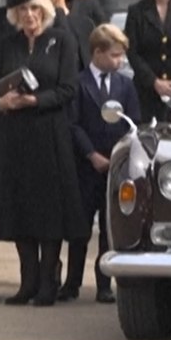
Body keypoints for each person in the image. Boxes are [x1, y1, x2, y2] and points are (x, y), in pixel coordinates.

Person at [0, 0, 86, 307]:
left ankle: (48, 282)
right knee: (22, 211)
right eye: (22, 10)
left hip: (49, 133)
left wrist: (34, 101)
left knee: (49, 214)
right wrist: (1, 102)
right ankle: (27, 282)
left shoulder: (61, 40)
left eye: (34, 8)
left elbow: (68, 89)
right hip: (15, 136)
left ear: (43, 9)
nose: (29, 15)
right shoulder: (8, 44)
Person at [63, 24, 141, 304]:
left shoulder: (125, 84)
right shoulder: (79, 83)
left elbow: (133, 122)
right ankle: (71, 283)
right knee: (79, 227)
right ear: (98, 53)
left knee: (109, 228)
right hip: (86, 166)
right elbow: (73, 124)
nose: (119, 62)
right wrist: (91, 154)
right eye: (115, 55)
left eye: (122, 56)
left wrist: (119, 155)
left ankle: (104, 284)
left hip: (115, 166)